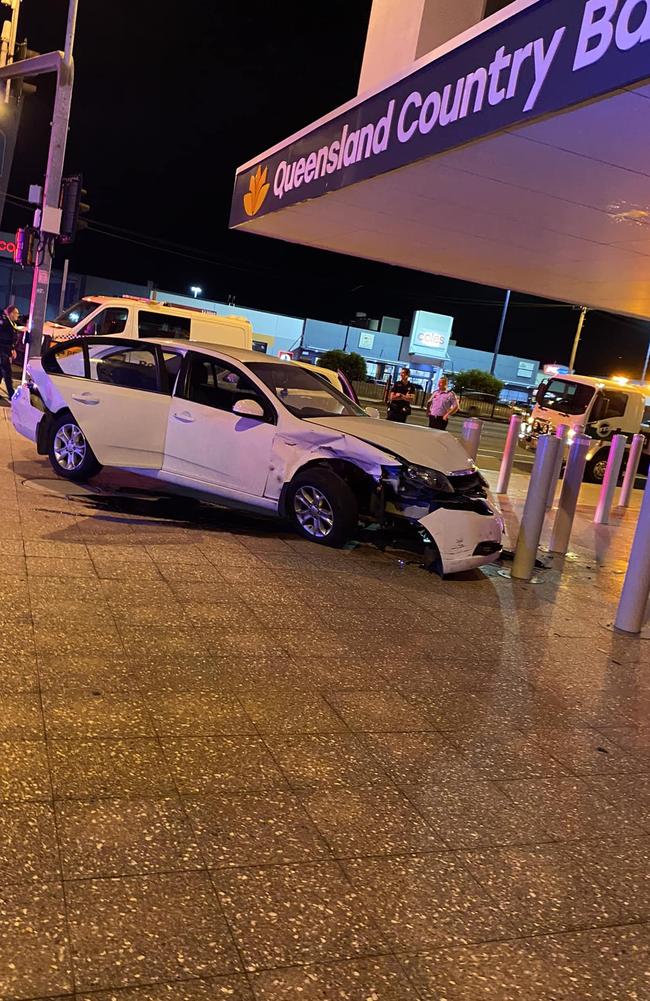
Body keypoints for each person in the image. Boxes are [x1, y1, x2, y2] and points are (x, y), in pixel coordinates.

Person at [0, 304, 19, 401]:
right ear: (11, 313)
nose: (18, 315)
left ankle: (11, 393)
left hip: (5, 350)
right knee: (7, 372)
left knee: (1, 371)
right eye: (16, 313)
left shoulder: (10, 323)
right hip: (3, 351)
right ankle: (11, 394)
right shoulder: (4, 322)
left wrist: (12, 348)